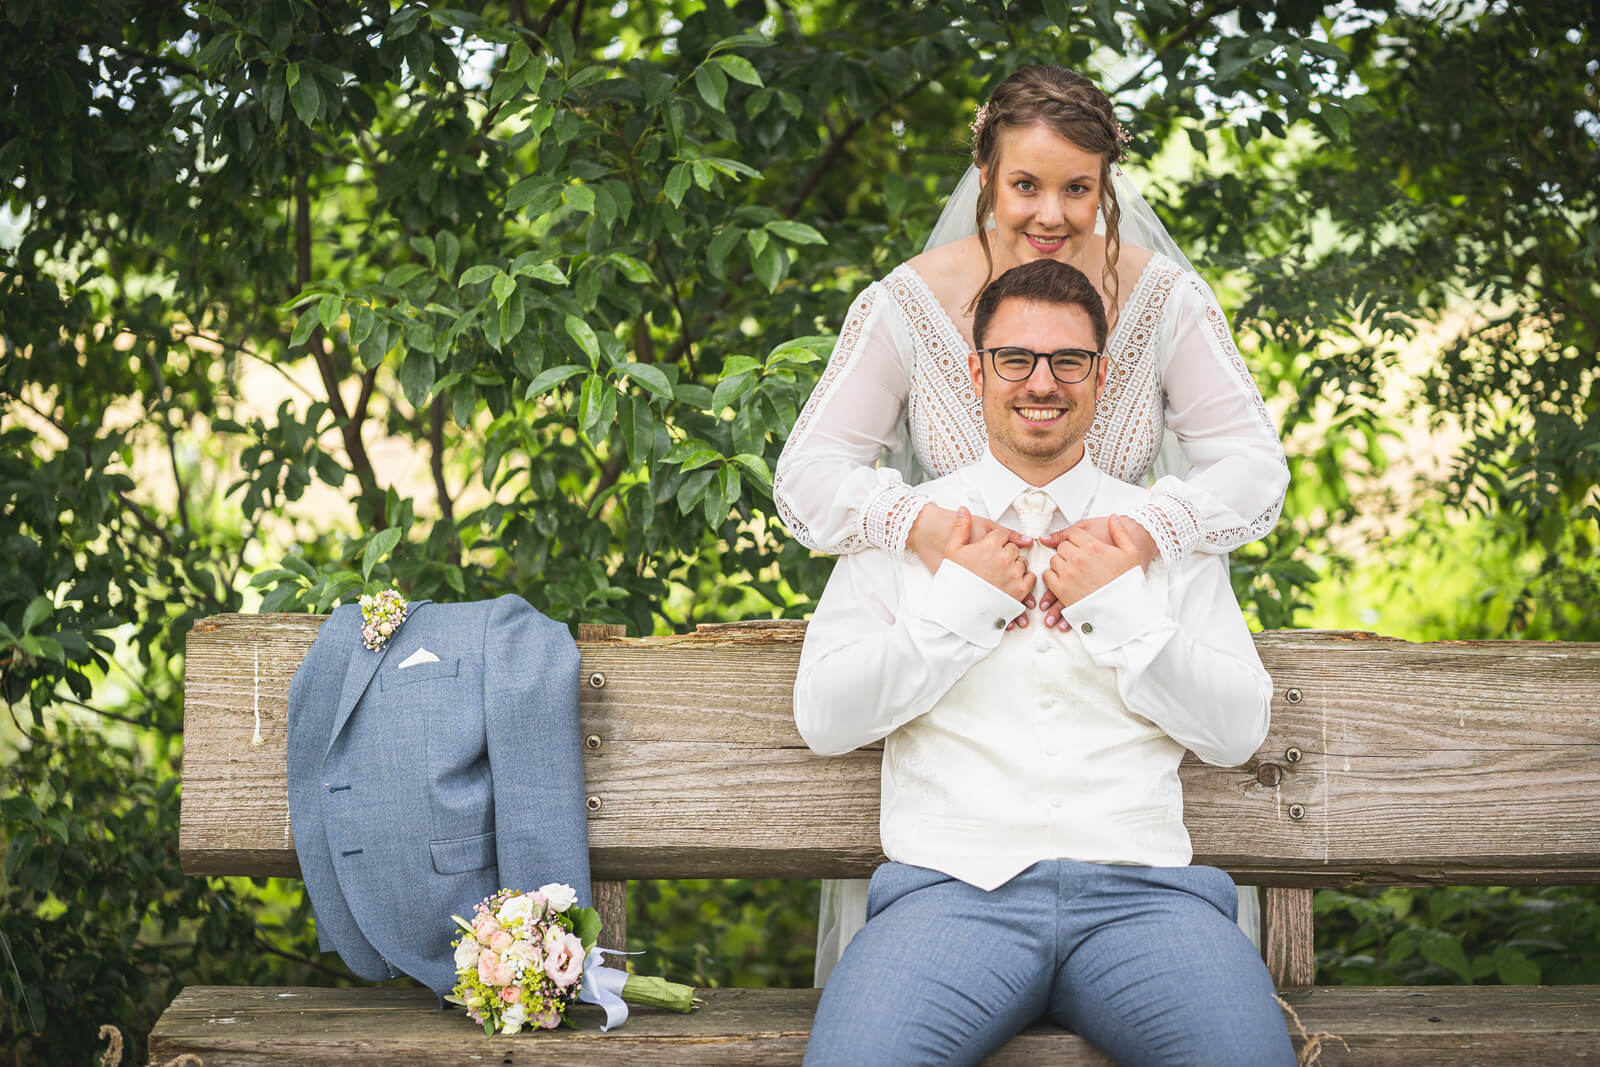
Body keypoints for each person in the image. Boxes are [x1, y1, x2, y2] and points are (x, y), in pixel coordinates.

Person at [773, 64, 1288, 982]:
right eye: (1026, 184)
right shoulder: (909, 302)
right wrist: (921, 525)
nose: (1051, 211)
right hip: (956, 656)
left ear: (1106, 185)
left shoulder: (1161, 299)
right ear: (984, 174)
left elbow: (1254, 467)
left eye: (1078, 188)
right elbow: (808, 478)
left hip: (1114, 664)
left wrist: (1144, 536)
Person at [792, 259, 1294, 1066]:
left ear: (1103, 376)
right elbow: (824, 717)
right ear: (975, 371)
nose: (1042, 382)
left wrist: (1118, 607)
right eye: (1015, 358)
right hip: (950, 897)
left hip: (1148, 902)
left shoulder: (1163, 532)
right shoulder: (911, 531)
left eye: (1069, 361)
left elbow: (1238, 730)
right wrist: (960, 601)